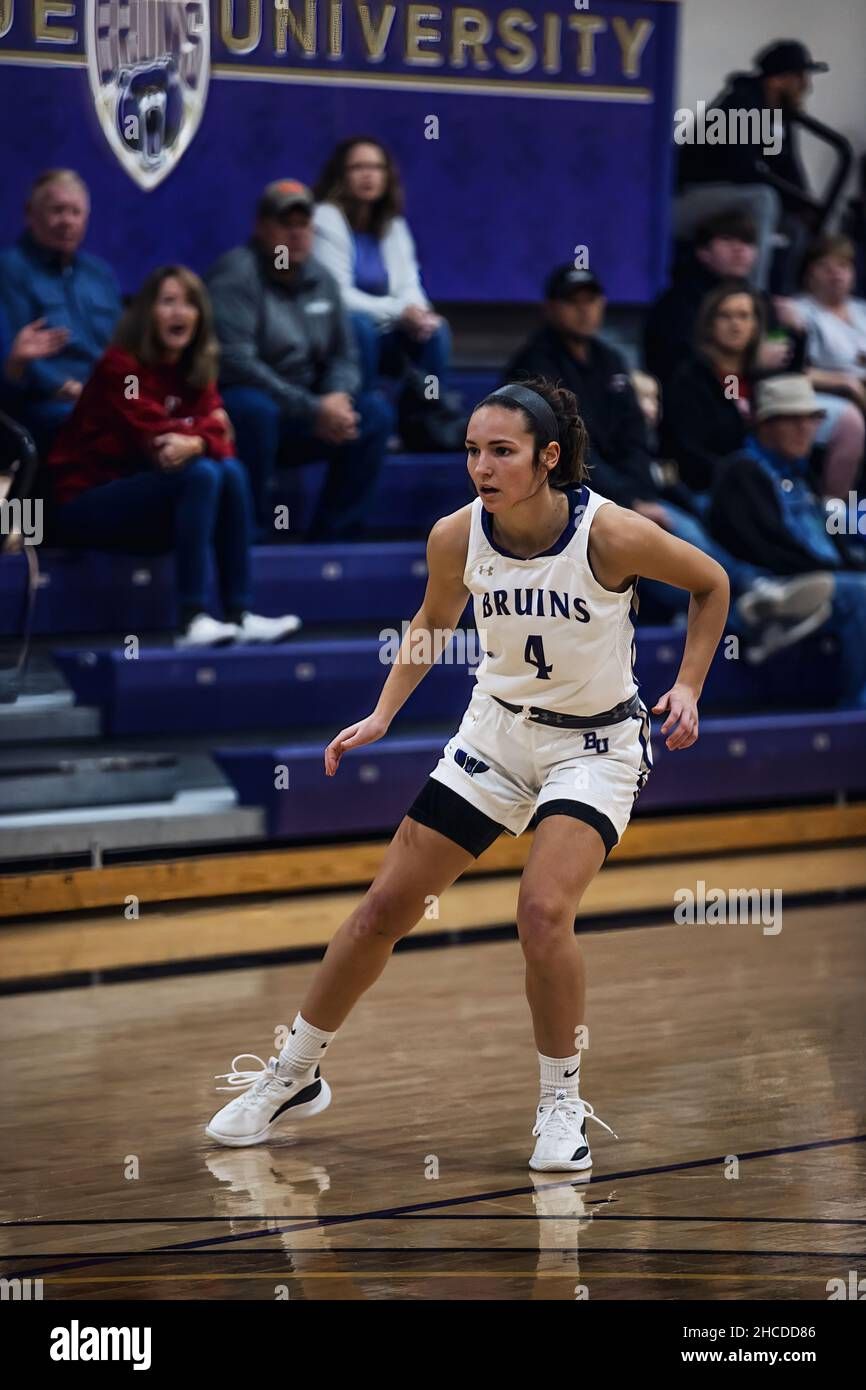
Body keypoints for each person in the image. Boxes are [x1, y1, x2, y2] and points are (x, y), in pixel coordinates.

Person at [204, 377, 730, 1168]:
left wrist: (688, 685)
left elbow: (711, 583)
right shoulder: (456, 536)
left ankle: (562, 1104)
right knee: (384, 906)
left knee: (542, 912)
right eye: (473, 451)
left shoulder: (610, 535)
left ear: (548, 458)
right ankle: (292, 1074)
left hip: (594, 748)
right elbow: (430, 622)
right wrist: (383, 714)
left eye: (502, 452)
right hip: (496, 735)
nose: (481, 467)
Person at [46, 266, 301, 647]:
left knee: (229, 470)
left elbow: (223, 443)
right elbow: (161, 445)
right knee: (201, 474)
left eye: (190, 304)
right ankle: (191, 619)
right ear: (147, 312)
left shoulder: (196, 369)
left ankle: (239, 613)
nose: (180, 313)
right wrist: (206, 434)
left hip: (147, 499)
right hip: (86, 501)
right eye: (168, 302)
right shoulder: (121, 367)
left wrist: (198, 441)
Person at [208, 179, 394, 540]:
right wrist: (312, 408)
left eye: (304, 225)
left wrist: (337, 400)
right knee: (253, 409)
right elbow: (235, 364)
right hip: (251, 407)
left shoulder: (321, 280)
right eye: (285, 224)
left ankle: (336, 534)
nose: (296, 234)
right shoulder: (235, 276)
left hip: (308, 410)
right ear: (262, 227)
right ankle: (249, 531)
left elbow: (345, 355)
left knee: (374, 415)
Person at [709, 375, 866, 694]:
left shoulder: (800, 475)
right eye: (792, 420)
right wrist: (834, 573)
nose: (805, 429)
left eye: (810, 419)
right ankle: (857, 709)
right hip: (777, 583)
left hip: (825, 578)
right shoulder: (742, 472)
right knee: (860, 594)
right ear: (764, 424)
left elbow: (830, 541)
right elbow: (765, 547)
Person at [675, 41, 835, 290]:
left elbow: (789, 169)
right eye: (799, 78)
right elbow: (743, 170)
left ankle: (786, 300)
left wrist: (807, 208)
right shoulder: (741, 104)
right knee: (763, 199)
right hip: (688, 198)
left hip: (732, 198)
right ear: (776, 80)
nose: (806, 86)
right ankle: (752, 296)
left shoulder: (780, 115)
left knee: (797, 227)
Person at [312, 137, 450, 394]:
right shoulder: (324, 218)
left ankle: (427, 417)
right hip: (337, 332)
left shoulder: (394, 225)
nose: (368, 175)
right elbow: (339, 296)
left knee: (437, 330)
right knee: (359, 326)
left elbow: (409, 282)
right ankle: (361, 411)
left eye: (377, 167)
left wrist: (419, 313)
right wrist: (400, 312)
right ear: (340, 175)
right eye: (358, 167)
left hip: (386, 330)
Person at [0, 169, 122, 454]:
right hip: (42, 404)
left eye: (75, 212)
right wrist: (63, 387)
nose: (67, 221)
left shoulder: (99, 274)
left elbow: (127, 354)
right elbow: (13, 356)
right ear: (30, 215)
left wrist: (133, 393)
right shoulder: (9, 270)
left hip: (104, 399)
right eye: (57, 210)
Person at [644, 209, 805, 389]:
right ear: (703, 252)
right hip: (703, 397)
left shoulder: (760, 299)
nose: (739, 249)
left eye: (747, 242)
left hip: (758, 394)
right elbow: (679, 366)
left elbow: (783, 359)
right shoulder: (679, 301)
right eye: (727, 240)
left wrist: (795, 332)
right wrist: (750, 362)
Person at [795, 234, 866, 496]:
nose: (836, 275)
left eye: (844, 267)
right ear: (810, 272)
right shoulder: (798, 311)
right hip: (825, 395)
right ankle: (836, 513)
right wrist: (845, 383)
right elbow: (795, 371)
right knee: (852, 421)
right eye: (826, 267)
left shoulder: (861, 310)